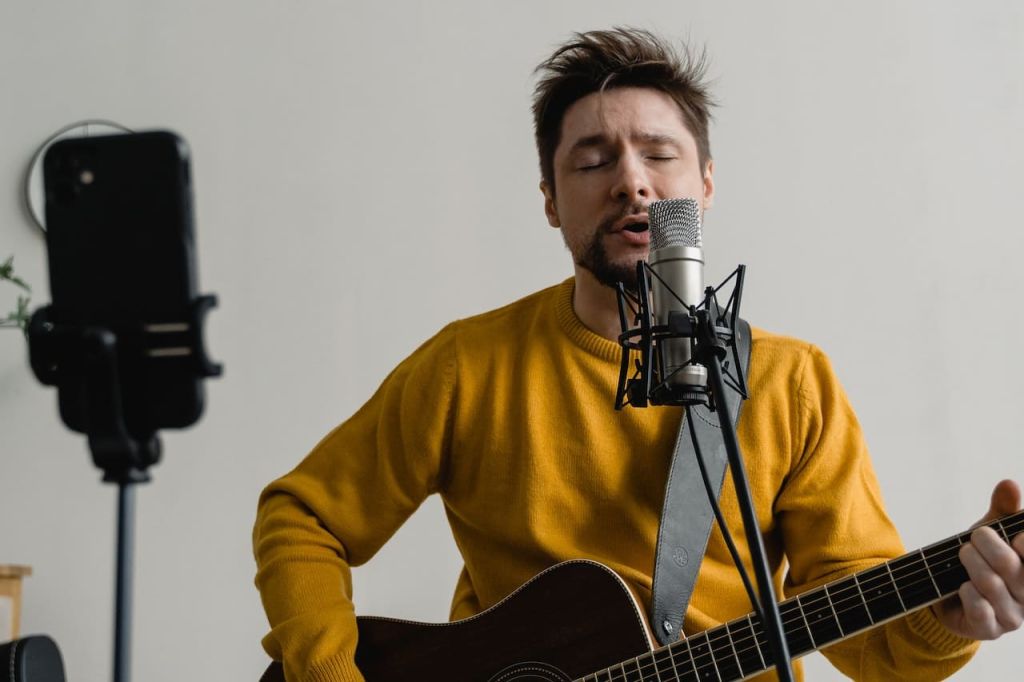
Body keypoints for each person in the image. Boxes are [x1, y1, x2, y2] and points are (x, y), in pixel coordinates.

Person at [253, 28, 1024, 681]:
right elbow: (303, 517)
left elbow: (867, 635)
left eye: (659, 156)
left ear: (706, 184)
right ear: (550, 199)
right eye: (591, 162)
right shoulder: (468, 367)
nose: (631, 182)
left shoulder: (790, 384)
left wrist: (951, 616)